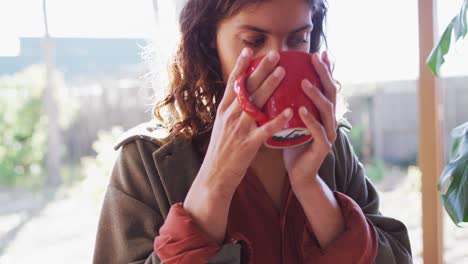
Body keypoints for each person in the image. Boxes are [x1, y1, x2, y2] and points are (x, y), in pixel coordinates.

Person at [93, 0, 412, 263]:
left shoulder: (330, 146)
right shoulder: (147, 162)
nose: (277, 62)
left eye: (298, 39)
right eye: (254, 41)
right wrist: (215, 182)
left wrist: (311, 188)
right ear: (208, 43)